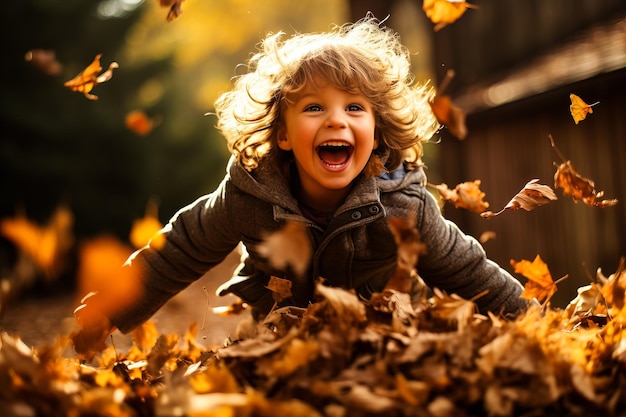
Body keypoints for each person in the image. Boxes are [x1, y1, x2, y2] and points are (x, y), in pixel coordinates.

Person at [72, 15, 530, 357]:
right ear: (284, 135)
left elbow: (468, 269)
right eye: (314, 108)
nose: (336, 119)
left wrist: (533, 323)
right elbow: (178, 250)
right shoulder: (249, 196)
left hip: (388, 332)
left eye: (355, 108)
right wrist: (110, 310)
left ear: (377, 130)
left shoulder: (403, 203)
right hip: (279, 333)